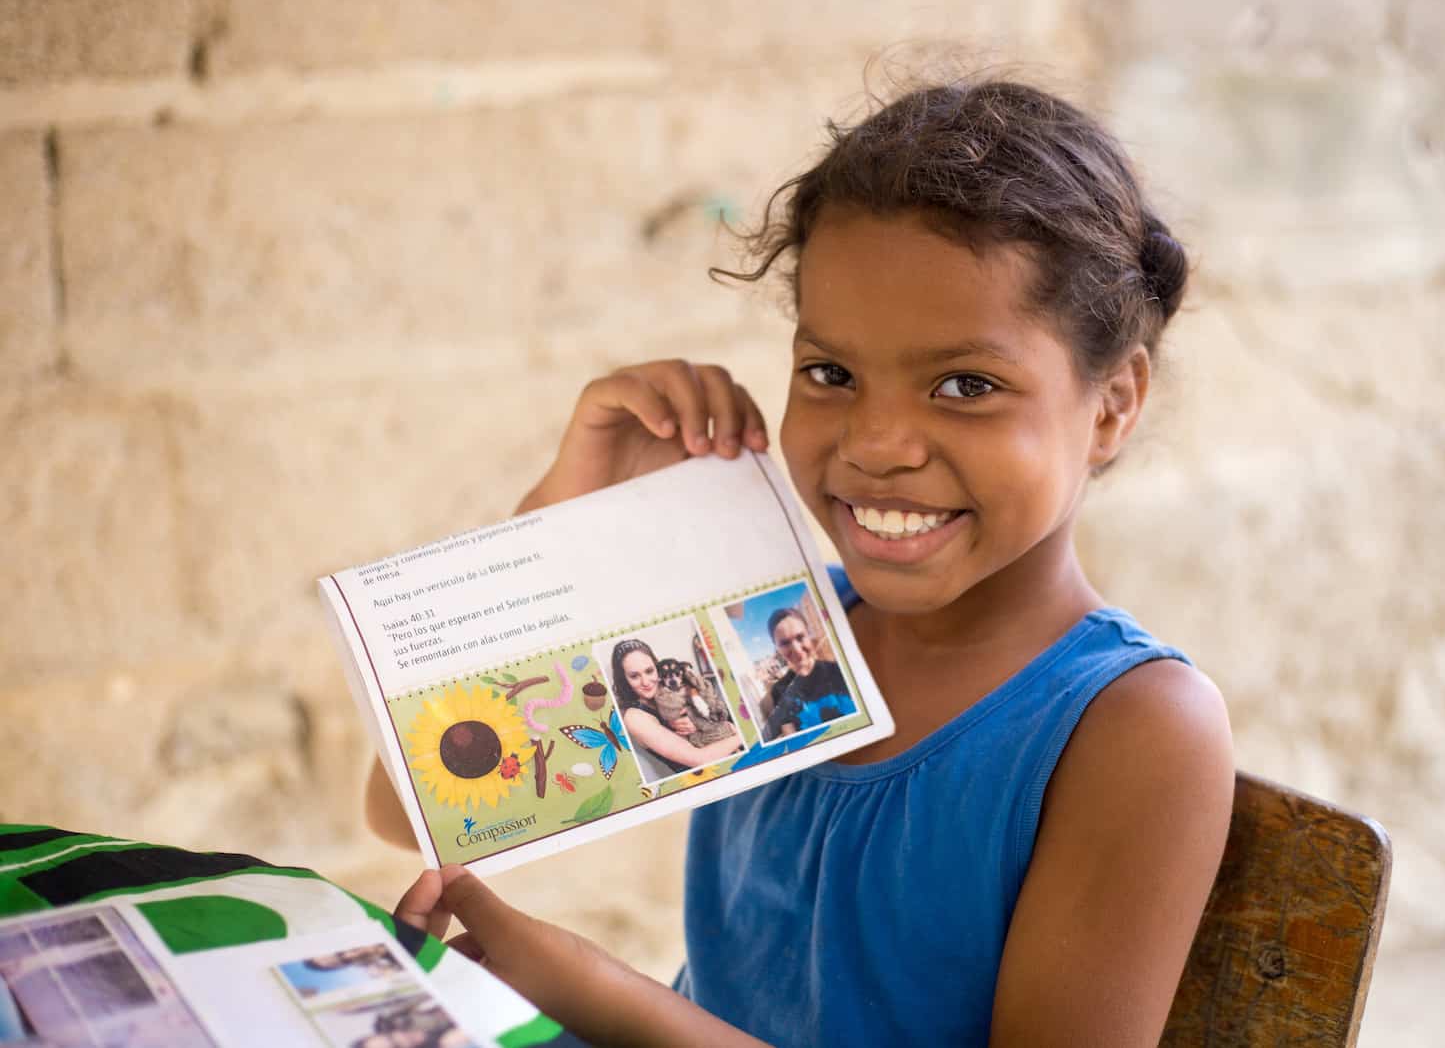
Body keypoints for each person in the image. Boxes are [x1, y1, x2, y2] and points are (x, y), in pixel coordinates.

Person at [381, 74, 1233, 1045]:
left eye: (964, 383)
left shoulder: (1133, 726)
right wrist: (561, 516)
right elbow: (415, 797)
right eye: (830, 373)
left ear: (1114, 403)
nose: (875, 442)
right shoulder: (775, 635)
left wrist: (588, 985)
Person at [610, 638, 744, 773]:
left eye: (649, 671)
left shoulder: (669, 692)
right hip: (707, 777)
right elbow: (700, 759)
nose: (646, 682)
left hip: (732, 754)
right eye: (634, 676)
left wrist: (699, 721)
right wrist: (741, 735)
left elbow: (715, 715)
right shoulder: (635, 717)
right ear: (624, 680)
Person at [760, 607, 854, 739]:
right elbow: (794, 740)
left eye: (800, 637)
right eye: (785, 643)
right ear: (777, 648)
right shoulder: (779, 691)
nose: (797, 650)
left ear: (809, 634)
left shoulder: (840, 671)